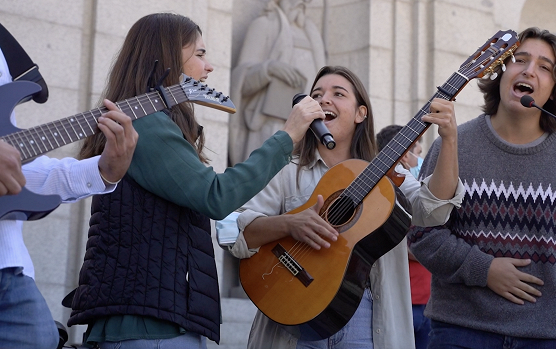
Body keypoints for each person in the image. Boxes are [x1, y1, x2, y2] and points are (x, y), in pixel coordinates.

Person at [67, 13, 323, 348]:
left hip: (153, 322)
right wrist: (287, 136)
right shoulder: (148, 126)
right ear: (168, 59)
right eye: (199, 54)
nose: (209, 67)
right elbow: (215, 196)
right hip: (151, 330)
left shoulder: (145, 123)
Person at [228, 65, 464, 349]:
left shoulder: (388, 175)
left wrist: (449, 140)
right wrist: (290, 224)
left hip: (369, 320)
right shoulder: (284, 169)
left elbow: (434, 209)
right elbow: (233, 230)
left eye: (338, 94)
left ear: (360, 113)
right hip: (293, 318)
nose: (324, 99)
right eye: (317, 95)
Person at [407, 27, 556, 349]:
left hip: (548, 340)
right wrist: (483, 269)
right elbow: (422, 234)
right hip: (459, 333)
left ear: (554, 88)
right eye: (520, 60)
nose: (529, 70)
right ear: (500, 71)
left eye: (544, 67)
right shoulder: (454, 144)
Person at [0, 45, 139, 348]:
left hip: (7, 267)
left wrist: (104, 171)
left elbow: (16, 167)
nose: (209, 65)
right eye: (200, 53)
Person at [229, 0, 326, 165]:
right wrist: (269, 69)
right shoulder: (264, 25)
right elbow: (240, 82)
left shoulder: (312, 34)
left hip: (307, 132)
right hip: (269, 127)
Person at [376, 125, 431, 349]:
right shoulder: (383, 192)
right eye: (417, 153)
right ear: (403, 153)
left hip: (427, 300)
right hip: (399, 299)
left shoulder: (416, 191)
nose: (419, 159)